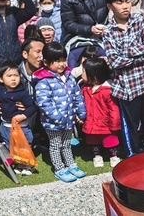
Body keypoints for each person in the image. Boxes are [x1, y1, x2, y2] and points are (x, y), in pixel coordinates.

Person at [102, 0, 144, 156]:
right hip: (126, 86)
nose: (125, 6)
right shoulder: (108, 31)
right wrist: (139, 53)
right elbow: (114, 61)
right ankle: (133, 155)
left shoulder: (140, 20)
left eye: (127, 1)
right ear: (110, 6)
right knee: (131, 124)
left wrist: (125, 52)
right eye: (119, 3)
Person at [33, 42, 87, 182]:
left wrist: (81, 112)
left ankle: (70, 164)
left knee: (67, 143)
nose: (61, 64)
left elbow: (77, 96)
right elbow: (44, 103)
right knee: (56, 145)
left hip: (69, 119)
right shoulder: (44, 80)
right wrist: (57, 117)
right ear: (46, 62)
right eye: (56, 61)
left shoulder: (69, 76)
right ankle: (59, 168)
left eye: (63, 59)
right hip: (53, 123)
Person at [80, 57, 121, 168]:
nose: (81, 73)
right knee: (93, 141)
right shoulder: (85, 89)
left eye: (83, 71)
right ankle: (97, 156)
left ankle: (114, 156)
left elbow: (114, 109)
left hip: (106, 124)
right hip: (90, 122)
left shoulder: (107, 91)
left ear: (94, 74)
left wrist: (115, 125)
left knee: (110, 141)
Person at [0, 61, 37, 147]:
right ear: (1, 79)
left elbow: (32, 106)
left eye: (16, 76)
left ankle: (25, 158)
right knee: (9, 143)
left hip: (21, 126)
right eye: (9, 76)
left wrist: (23, 116)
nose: (13, 79)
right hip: (6, 124)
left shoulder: (22, 93)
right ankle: (12, 156)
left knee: (25, 145)